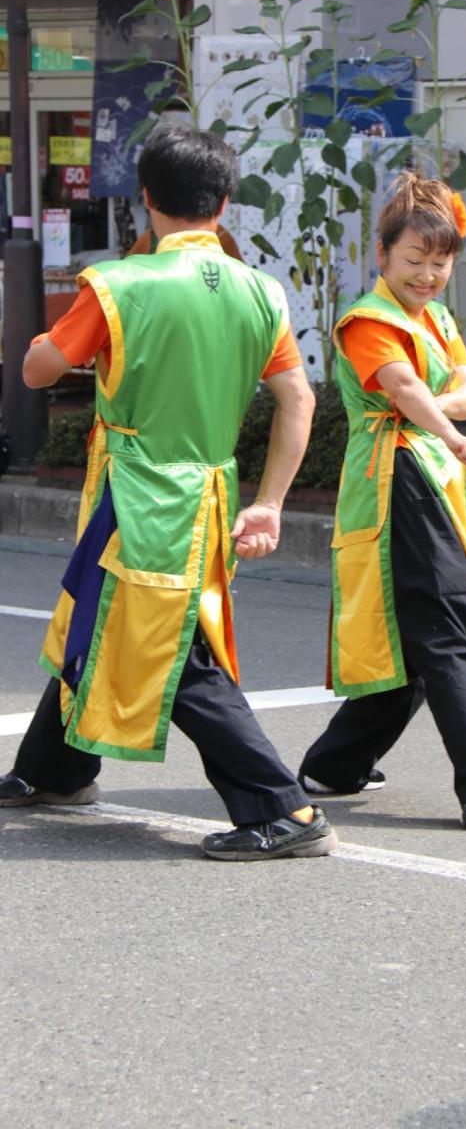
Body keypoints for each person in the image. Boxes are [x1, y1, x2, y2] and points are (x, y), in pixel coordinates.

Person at [0, 122, 336, 862]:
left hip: (141, 492)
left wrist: (34, 343)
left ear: (144, 198)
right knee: (91, 618)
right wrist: (271, 501)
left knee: (173, 650)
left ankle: (285, 808)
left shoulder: (122, 284)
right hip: (209, 492)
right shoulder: (259, 293)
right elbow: (297, 398)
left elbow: (38, 371)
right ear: (223, 201)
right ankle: (51, 769)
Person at [298, 172, 466, 830]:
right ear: (381, 256)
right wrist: (449, 432)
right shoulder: (366, 321)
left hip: (424, 477)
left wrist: (430, 417)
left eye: (439, 263)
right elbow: (407, 389)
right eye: (414, 260)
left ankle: (334, 765)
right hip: (397, 485)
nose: (428, 275)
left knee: (416, 640)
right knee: (449, 628)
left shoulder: (434, 317)